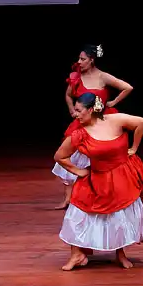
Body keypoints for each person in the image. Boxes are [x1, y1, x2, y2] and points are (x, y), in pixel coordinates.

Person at [54, 93, 143, 270]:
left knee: (119, 215)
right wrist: (79, 171)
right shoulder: (80, 134)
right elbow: (60, 156)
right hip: (97, 176)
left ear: (91, 110)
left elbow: (141, 122)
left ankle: (120, 253)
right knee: (78, 212)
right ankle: (76, 254)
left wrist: (133, 148)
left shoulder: (114, 120)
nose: (75, 114)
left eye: (78, 110)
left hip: (122, 175)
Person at [52, 44, 133, 209]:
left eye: (83, 59)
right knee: (72, 155)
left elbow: (127, 87)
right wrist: (72, 111)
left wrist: (112, 102)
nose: (79, 62)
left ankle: (98, 194)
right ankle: (68, 198)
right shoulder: (76, 77)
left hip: (101, 120)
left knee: (97, 155)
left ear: (92, 60)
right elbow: (68, 95)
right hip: (82, 120)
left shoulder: (103, 77)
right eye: (79, 59)